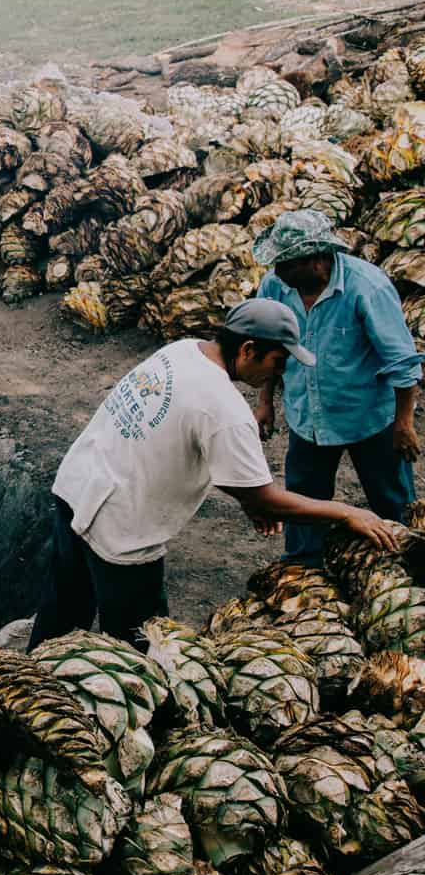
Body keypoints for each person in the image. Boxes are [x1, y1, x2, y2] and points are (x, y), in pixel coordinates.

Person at [30, 299, 398, 649]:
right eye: (279, 361)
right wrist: (347, 512)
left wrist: (251, 500)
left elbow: (196, 443)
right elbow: (264, 497)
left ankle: (36, 683)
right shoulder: (225, 410)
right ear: (248, 350)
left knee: (62, 609)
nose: (280, 373)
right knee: (141, 646)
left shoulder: (182, 351)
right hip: (121, 522)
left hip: (78, 484)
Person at [253, 209, 422, 561]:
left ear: (316, 259)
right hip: (307, 416)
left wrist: (404, 423)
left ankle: (403, 573)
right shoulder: (276, 285)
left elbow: (402, 361)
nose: (277, 271)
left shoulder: (366, 287)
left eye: (286, 263)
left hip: (369, 418)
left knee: (393, 504)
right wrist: (265, 401)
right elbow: (268, 346)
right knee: (302, 503)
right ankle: (303, 574)